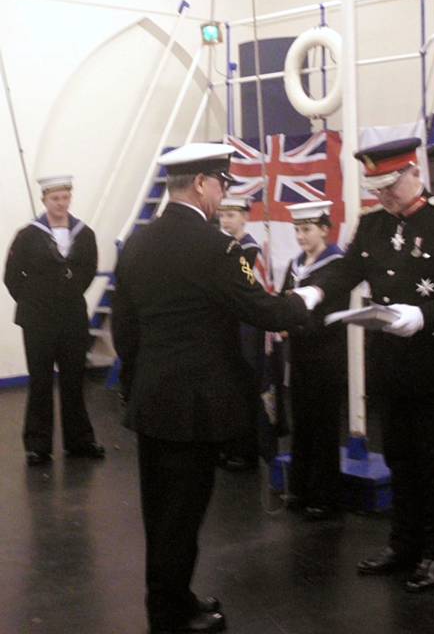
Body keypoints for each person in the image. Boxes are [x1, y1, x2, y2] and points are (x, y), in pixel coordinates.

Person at [111, 142, 314, 634]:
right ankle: (170, 617)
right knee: (182, 517)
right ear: (201, 183)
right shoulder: (216, 246)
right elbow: (261, 309)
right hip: (194, 408)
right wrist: (308, 295)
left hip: (153, 402)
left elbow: (124, 328)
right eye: (221, 183)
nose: (223, 194)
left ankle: (170, 600)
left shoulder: (137, 242)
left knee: (158, 513)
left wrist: (137, 384)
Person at [311, 138, 434, 591]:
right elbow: (346, 271)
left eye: (390, 186)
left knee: (432, 461)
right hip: (388, 363)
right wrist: (312, 291)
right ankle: (404, 543)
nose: (383, 197)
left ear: (414, 172)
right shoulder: (372, 225)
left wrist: (425, 314)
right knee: (399, 457)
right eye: (376, 188)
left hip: (432, 359)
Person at [3, 175, 105, 466]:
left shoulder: (84, 234)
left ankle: (80, 441)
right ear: (44, 200)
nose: (61, 203)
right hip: (37, 320)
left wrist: (67, 294)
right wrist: (35, 300)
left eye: (65, 197)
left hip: (72, 318)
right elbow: (11, 276)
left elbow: (88, 270)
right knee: (40, 380)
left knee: (74, 380)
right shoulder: (27, 235)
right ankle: (38, 445)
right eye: (55, 199)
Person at [281, 201, 348, 520]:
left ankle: (325, 495)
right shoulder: (296, 265)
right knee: (303, 424)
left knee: (323, 426)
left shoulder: (336, 266)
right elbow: (285, 300)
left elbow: (328, 313)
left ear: (324, 229)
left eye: (306, 229)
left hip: (326, 354)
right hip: (301, 354)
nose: (300, 236)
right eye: (297, 229)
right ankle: (300, 488)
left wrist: (291, 324)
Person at [217, 196, 262, 471]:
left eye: (232, 215)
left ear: (245, 217)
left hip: (245, 323)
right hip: (229, 320)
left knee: (245, 387)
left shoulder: (249, 249)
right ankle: (229, 445)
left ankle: (246, 450)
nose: (226, 220)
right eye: (223, 215)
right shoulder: (227, 246)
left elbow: (244, 282)